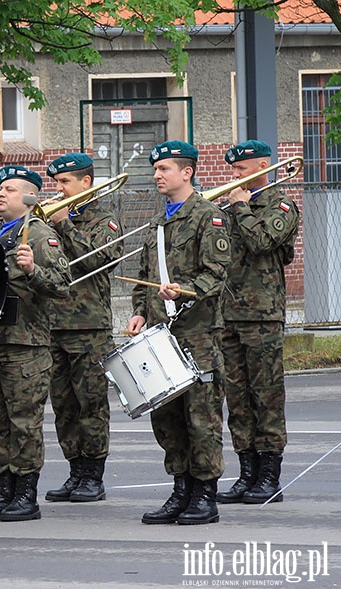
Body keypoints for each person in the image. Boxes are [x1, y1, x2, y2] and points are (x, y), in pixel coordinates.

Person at [126, 140, 230, 525]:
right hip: (159, 336)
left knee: (200, 418)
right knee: (167, 418)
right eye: (155, 170)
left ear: (186, 172)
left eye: (164, 169)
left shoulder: (209, 216)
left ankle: (205, 495)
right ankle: (181, 489)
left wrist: (185, 291)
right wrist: (139, 312)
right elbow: (144, 280)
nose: (157, 175)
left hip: (197, 336)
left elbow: (216, 274)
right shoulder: (158, 224)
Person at [0, 166, 70, 523]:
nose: (0, 193)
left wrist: (32, 271)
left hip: (25, 345)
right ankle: (4, 488)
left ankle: (26, 492)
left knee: (23, 421)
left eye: (10, 189)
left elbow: (62, 286)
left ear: (29, 196)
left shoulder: (42, 236)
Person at [216, 140, 299, 505]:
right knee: (237, 399)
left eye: (241, 170)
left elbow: (263, 241)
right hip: (229, 313)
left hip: (262, 314)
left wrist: (240, 208)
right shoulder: (234, 206)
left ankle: (269, 475)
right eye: (233, 171)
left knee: (265, 395)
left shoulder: (281, 205)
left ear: (263, 166)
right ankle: (246, 471)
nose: (235, 177)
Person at [43, 153, 122, 503]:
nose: (58, 189)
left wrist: (65, 225)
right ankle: (75, 469)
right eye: (56, 183)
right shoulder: (50, 219)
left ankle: (93, 474)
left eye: (65, 182)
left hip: (89, 326)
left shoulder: (104, 220)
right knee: (63, 405)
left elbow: (99, 260)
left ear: (85, 183)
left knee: (90, 404)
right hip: (53, 324)